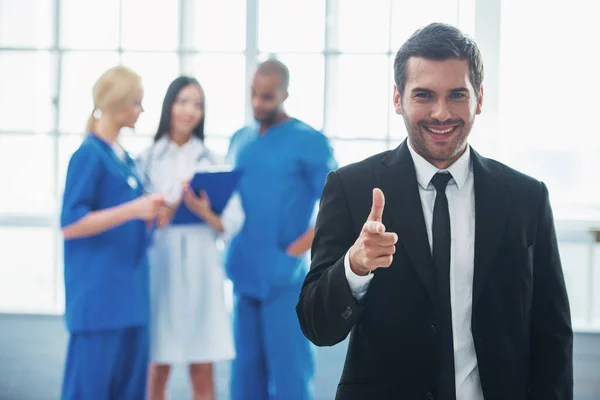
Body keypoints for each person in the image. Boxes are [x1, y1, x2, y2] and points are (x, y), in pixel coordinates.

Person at [296, 23, 573, 400]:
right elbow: (317, 325)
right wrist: (354, 268)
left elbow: (552, 334)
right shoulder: (351, 188)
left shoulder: (526, 198)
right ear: (398, 98)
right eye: (424, 95)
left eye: (457, 95)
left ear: (479, 98)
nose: (441, 113)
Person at [225, 58, 337, 400]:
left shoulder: (310, 142)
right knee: (244, 379)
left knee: (290, 379)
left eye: (268, 97)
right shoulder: (239, 139)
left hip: (285, 281)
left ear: (285, 94)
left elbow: (337, 208)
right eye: (254, 95)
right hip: (244, 276)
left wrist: (293, 251)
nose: (258, 104)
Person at [60, 65, 166, 399]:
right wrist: (134, 209)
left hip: (132, 298)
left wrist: (154, 213)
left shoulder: (128, 160)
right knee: (91, 389)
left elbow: (131, 222)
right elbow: (71, 225)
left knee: (130, 390)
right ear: (119, 105)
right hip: (100, 301)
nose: (142, 110)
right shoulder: (89, 156)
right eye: (137, 103)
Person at [139, 76, 242, 400]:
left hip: (201, 269)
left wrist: (202, 210)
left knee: (202, 366)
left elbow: (233, 222)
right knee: (158, 366)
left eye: (197, 104)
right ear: (169, 105)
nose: (189, 111)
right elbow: (135, 219)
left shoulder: (212, 161)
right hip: (162, 266)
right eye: (183, 101)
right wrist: (162, 212)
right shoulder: (146, 159)